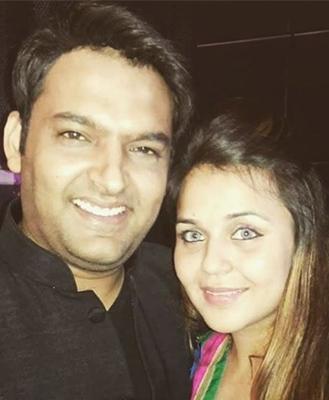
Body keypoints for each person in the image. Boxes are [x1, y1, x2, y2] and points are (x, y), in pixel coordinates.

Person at [0, 3, 194, 399]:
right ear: (16, 141)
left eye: (144, 149)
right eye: (76, 136)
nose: (112, 179)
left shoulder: (196, 288)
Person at [169, 112, 329, 400]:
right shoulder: (185, 362)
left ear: (304, 240)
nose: (211, 264)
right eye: (193, 235)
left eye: (245, 232)